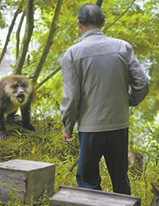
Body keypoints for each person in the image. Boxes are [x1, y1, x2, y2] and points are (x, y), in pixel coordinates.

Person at [60, 3, 149, 195]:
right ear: (103, 22)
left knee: (87, 180)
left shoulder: (72, 54)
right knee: (120, 179)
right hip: (119, 124)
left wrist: (67, 127)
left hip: (90, 128)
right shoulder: (122, 47)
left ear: (79, 23)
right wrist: (129, 101)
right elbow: (142, 83)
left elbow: (71, 96)